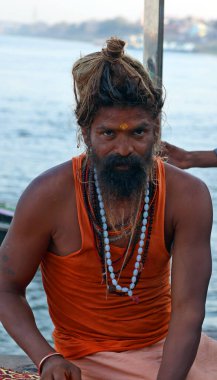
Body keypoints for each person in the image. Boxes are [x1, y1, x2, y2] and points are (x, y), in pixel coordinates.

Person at [0, 37, 216, 380]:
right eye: (108, 134)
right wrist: (47, 358)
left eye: (139, 132)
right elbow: (5, 288)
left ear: (157, 130)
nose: (125, 148)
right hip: (85, 360)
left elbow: (189, 311)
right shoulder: (48, 195)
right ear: (86, 134)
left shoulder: (188, 195)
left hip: (173, 355)